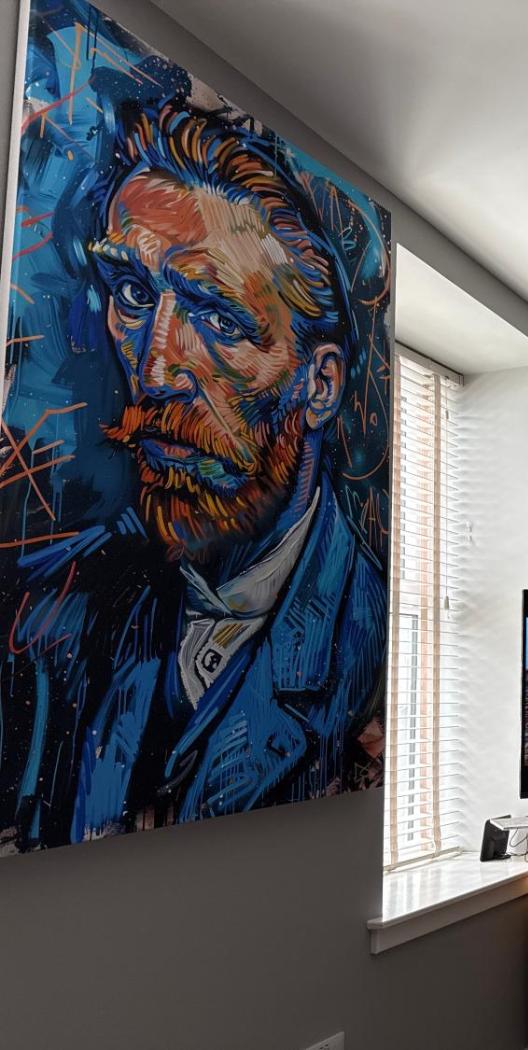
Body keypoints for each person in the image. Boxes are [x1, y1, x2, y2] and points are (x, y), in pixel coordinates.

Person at [2, 103, 385, 848]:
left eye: (220, 318)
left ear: (319, 385)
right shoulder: (50, 613)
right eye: (134, 296)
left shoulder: (367, 642)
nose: (155, 369)